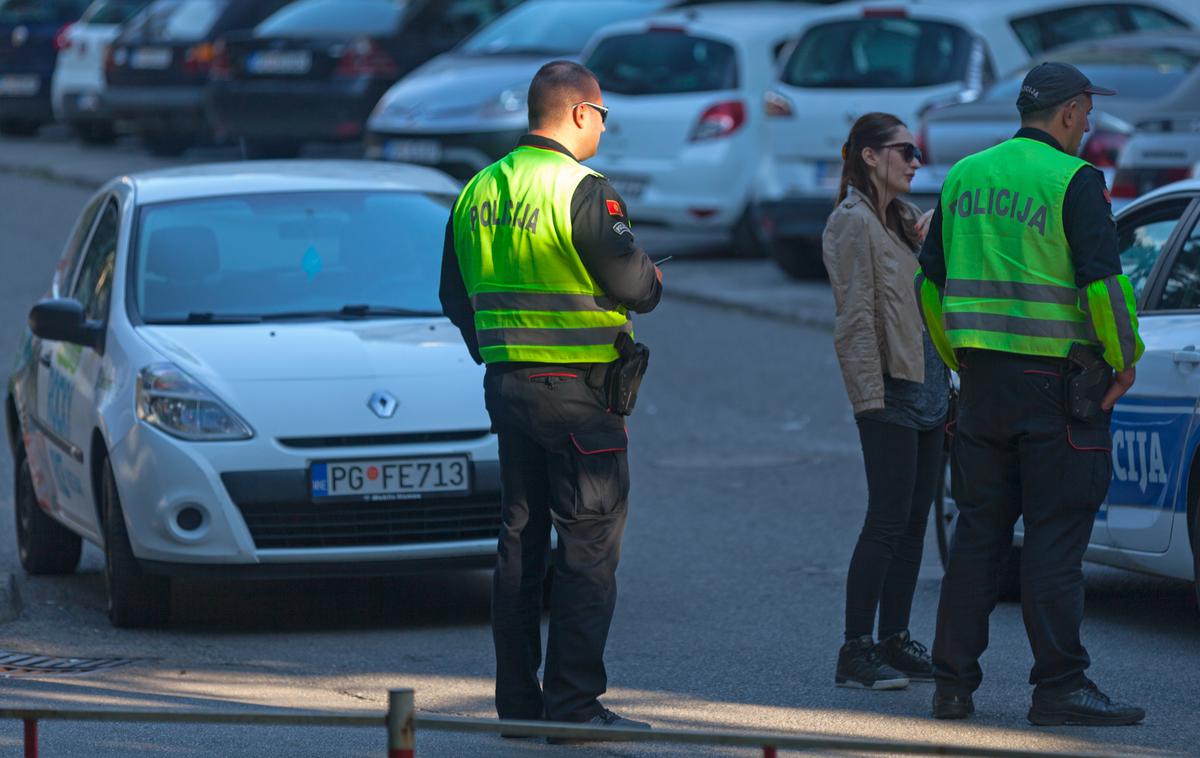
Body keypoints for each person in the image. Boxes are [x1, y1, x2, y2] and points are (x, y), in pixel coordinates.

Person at [439, 60, 662, 741]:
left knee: (519, 544)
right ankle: (573, 705)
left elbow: (454, 296)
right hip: (580, 401)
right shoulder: (582, 188)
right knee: (588, 549)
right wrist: (650, 275)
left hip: (509, 393)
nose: (602, 127)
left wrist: (502, 355)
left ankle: (518, 707)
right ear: (576, 113)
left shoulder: (476, 189)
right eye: (602, 116)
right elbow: (636, 288)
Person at [916, 62, 1145, 725]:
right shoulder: (1073, 180)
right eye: (1087, 113)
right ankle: (1059, 689)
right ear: (1071, 112)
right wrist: (1124, 359)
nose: (1089, 125)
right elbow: (1104, 286)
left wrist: (960, 356)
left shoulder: (963, 177)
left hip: (984, 386)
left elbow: (928, 286)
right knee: (1053, 541)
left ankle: (951, 686)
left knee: (979, 538)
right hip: (1058, 391)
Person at [822, 112, 947, 690]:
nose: (916, 161)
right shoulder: (852, 221)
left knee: (915, 521)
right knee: (887, 520)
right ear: (870, 156)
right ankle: (856, 648)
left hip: (928, 388)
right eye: (905, 151)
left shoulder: (899, 221)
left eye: (917, 151)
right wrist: (869, 398)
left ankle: (895, 638)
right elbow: (855, 318)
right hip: (890, 392)